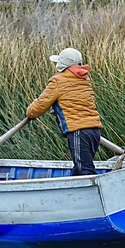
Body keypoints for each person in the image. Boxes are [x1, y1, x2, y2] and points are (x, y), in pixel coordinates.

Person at [27, 48, 103, 176]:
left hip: (79, 131)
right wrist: (57, 107)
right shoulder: (84, 80)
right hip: (94, 132)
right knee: (81, 167)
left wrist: (29, 111)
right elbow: (74, 102)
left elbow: (37, 108)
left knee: (84, 171)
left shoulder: (58, 80)